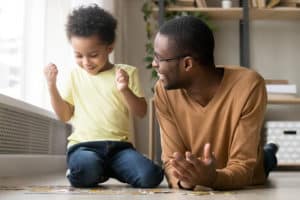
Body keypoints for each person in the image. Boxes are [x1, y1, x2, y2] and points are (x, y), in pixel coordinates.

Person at [44, 5, 163, 188]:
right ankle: (92, 170)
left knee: (151, 176)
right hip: (84, 147)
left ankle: (105, 170)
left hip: (120, 149)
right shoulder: (75, 76)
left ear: (109, 48)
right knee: (86, 167)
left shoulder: (127, 72)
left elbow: (141, 112)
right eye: (78, 55)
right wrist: (52, 86)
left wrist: (124, 89)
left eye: (93, 55)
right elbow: (65, 116)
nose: (85, 62)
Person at [152, 16, 278, 190]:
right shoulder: (163, 91)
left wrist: (213, 178)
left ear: (187, 63)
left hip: (250, 171)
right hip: (203, 172)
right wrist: (185, 180)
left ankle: (269, 152)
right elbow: (171, 161)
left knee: (265, 159)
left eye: (159, 59)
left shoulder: (249, 85)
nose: (153, 64)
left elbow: (243, 167)